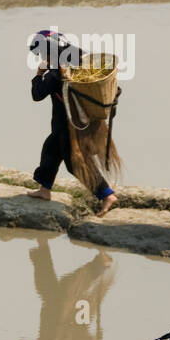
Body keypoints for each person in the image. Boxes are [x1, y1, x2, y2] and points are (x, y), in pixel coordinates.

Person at [25, 29, 120, 216]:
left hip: (69, 127)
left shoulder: (56, 70)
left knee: (74, 163)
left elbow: (37, 94)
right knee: (51, 149)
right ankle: (44, 189)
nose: (42, 57)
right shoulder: (82, 58)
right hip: (85, 122)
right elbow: (115, 88)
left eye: (43, 53)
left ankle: (106, 194)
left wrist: (38, 74)